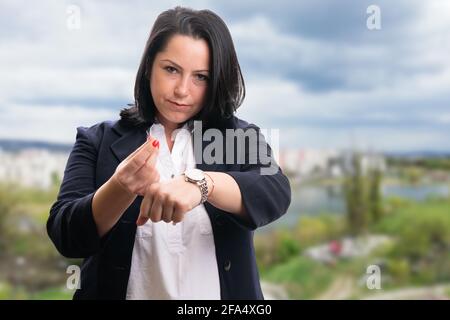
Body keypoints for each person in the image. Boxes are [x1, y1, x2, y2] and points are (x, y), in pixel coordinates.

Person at [47, 6, 291, 300]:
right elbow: (66, 235)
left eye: (200, 77)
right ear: (149, 66)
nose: (182, 91)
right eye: (172, 69)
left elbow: (276, 190)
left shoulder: (236, 136)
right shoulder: (97, 140)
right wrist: (120, 187)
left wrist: (201, 184)